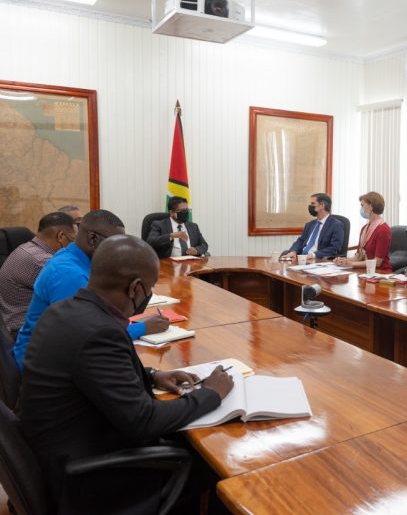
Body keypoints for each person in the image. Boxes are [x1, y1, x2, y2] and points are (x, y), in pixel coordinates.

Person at [18, 235, 233, 513]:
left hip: (61, 452)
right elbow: (144, 421)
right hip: (93, 480)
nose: (149, 296)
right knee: (218, 466)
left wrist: (153, 375)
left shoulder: (63, 311)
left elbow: (88, 371)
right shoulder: (99, 331)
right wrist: (210, 394)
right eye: (150, 288)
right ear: (135, 288)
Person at [13, 210, 169, 369]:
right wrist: (143, 327)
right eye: (114, 242)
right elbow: (88, 336)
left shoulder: (75, 258)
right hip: (42, 366)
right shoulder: (69, 274)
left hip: (61, 353)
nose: (118, 248)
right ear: (93, 238)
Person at [0, 212, 76, 338]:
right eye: (74, 240)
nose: (75, 246)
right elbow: (75, 295)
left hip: (13, 329)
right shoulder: (42, 261)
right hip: (23, 334)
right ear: (61, 236)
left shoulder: (26, 248)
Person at [334, 191, 391, 272]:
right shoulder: (364, 228)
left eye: (362, 205)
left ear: (371, 206)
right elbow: (358, 257)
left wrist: (351, 264)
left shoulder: (383, 229)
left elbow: (377, 262)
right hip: (365, 271)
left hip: (381, 272)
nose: (361, 208)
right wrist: (343, 260)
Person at [284, 193, 345, 260]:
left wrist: (313, 255)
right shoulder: (310, 224)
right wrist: (293, 251)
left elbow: (335, 247)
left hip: (318, 260)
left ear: (322, 205)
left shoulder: (336, 225)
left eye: (313, 204)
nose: (310, 206)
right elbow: (300, 241)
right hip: (301, 258)